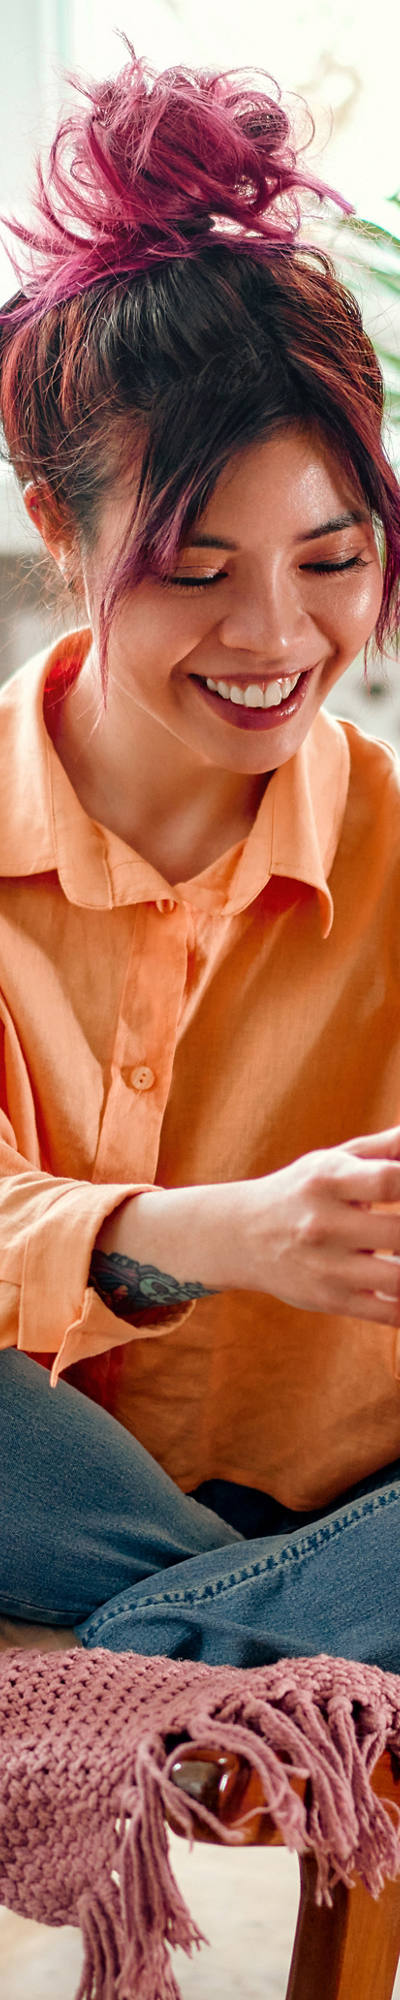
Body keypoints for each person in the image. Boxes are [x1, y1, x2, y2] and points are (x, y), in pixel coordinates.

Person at [1, 41, 400, 1672]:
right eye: (196, 568)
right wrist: (205, 1233)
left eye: (333, 559)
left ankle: (181, 1657)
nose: (275, 636)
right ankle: (287, 1666)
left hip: (351, 1501)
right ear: (58, 528)